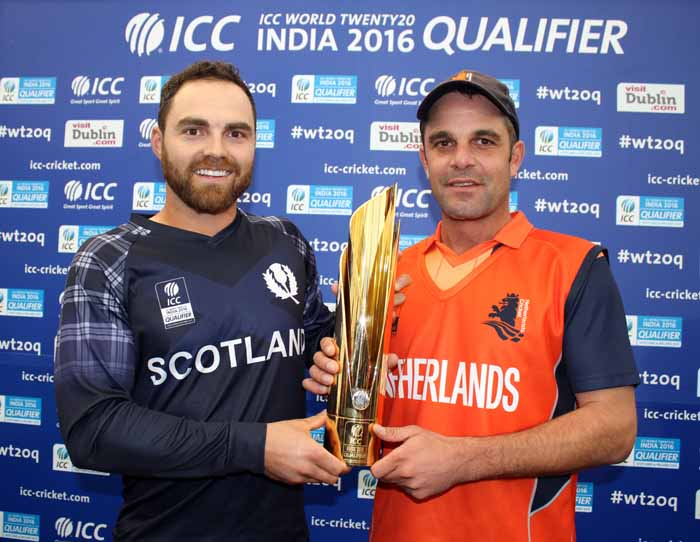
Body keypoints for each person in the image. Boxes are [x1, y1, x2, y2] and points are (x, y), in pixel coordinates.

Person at [305, 69, 639, 541]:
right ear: (424, 159)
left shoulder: (573, 266)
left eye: (483, 141)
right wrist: (340, 377)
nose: (462, 159)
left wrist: (464, 459)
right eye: (444, 144)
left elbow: (615, 429)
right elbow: (358, 425)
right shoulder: (384, 279)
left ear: (515, 156)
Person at [54, 60, 348, 542]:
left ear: (254, 143)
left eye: (236, 133)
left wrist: (354, 330)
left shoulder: (285, 242)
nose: (217, 150)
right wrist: (254, 447)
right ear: (157, 141)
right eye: (194, 130)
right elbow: (93, 428)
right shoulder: (108, 260)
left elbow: (311, 335)